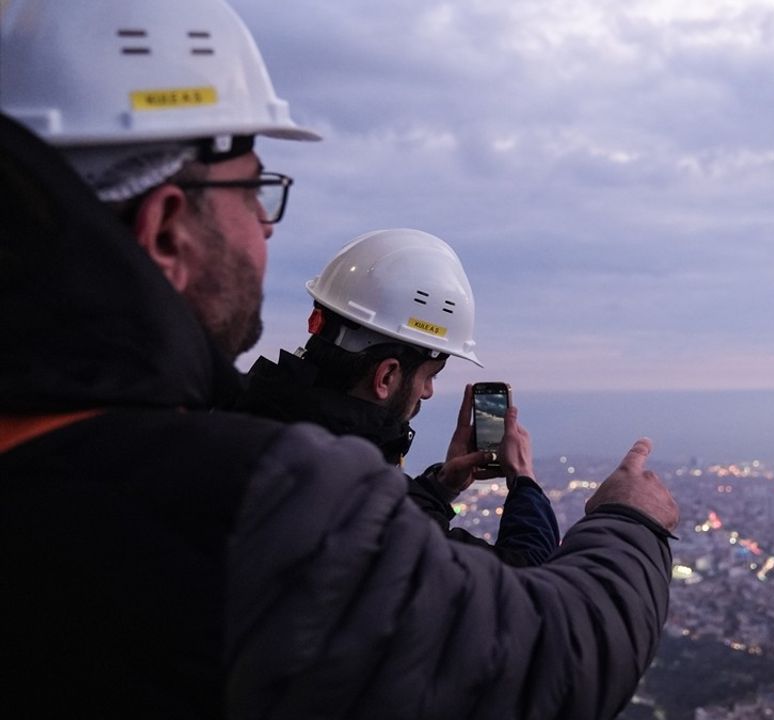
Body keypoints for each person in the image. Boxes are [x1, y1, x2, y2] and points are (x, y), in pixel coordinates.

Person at [0, 2, 678, 719]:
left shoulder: (111, 443)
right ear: (168, 228)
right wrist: (628, 524)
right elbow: (541, 662)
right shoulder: (249, 490)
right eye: (254, 189)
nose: (265, 223)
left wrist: (436, 489)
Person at [238, 228, 560, 566]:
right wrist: (524, 480)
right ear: (387, 376)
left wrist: (440, 487)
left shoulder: (250, 419)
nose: (428, 392)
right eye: (428, 376)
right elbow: (523, 578)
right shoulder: (354, 504)